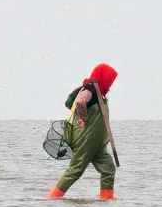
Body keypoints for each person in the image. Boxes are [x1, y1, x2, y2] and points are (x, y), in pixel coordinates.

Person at [48, 63, 118, 199]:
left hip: (97, 143)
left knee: (108, 169)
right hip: (85, 140)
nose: (111, 84)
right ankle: (52, 199)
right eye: (110, 79)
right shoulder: (90, 88)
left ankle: (106, 202)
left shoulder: (99, 93)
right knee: (75, 170)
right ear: (104, 77)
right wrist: (84, 119)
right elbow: (80, 102)